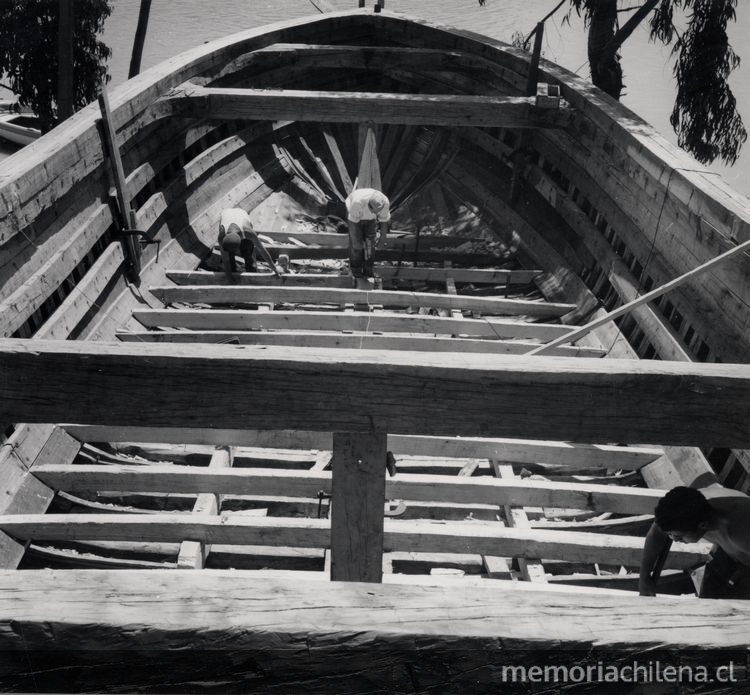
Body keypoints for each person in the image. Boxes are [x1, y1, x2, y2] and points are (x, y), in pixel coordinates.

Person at [639, 485, 750, 599]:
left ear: (703, 525)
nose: (675, 540)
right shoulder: (685, 506)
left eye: (679, 536)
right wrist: (644, 579)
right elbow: (656, 532)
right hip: (729, 552)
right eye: (670, 534)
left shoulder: (739, 532)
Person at [218, 208, 279, 283]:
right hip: (226, 214)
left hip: (241, 214)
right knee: (229, 259)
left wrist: (274, 268)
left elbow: (262, 250)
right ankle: (233, 271)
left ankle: (252, 274)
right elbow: (225, 259)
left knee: (248, 251)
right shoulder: (221, 236)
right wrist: (230, 279)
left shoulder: (248, 232)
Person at [344, 187, 390, 279]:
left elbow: (384, 221)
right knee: (356, 246)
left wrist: (382, 238)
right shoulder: (357, 203)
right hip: (354, 217)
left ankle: (368, 270)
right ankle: (356, 270)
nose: (372, 212)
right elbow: (352, 224)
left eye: (375, 211)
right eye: (371, 209)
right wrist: (356, 242)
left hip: (370, 220)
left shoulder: (384, 203)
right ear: (369, 203)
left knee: (370, 245)